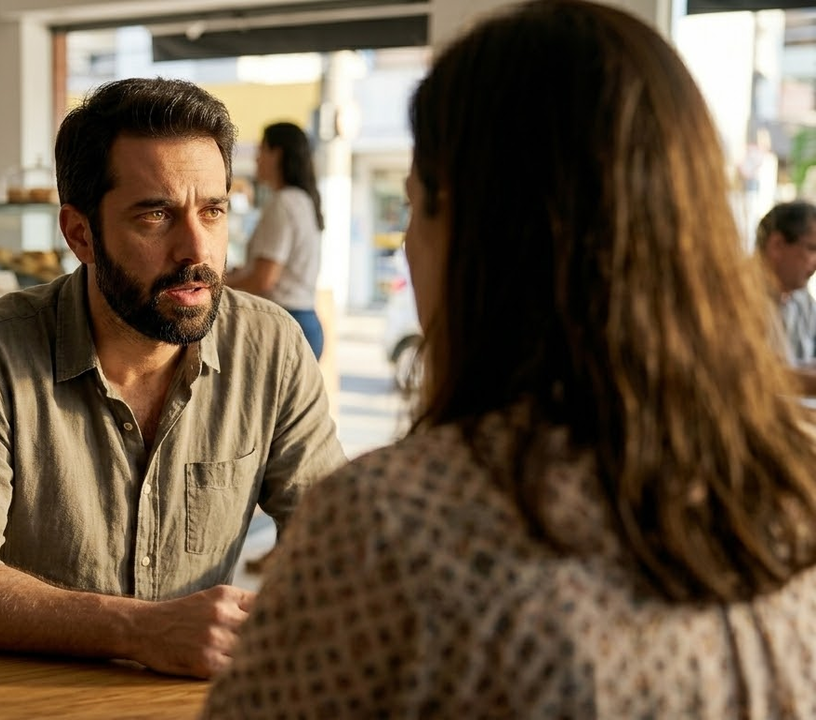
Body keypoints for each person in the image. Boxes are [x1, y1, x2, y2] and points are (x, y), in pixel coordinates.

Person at [205, 1, 816, 716]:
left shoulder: (395, 527)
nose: (407, 243)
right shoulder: (786, 494)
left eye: (413, 207)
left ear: (473, 232)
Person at [0, 77, 346, 680]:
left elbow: (336, 540)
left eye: (213, 210)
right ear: (81, 234)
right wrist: (139, 629)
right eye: (156, 215)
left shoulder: (272, 346)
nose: (197, 249)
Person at [226, 122, 326, 359]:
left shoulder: (283, 203)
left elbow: (264, 279)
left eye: (262, 151)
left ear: (277, 153)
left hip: (285, 325)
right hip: (305, 321)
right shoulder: (302, 200)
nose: (257, 160)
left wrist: (220, 285)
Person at [757, 201, 816, 393]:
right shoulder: (739, 300)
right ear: (777, 245)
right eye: (811, 248)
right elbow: (753, 378)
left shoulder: (802, 299)